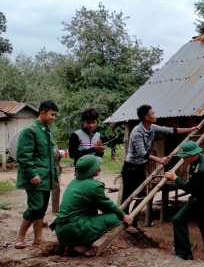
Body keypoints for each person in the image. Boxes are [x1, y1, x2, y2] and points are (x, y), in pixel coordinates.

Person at [121, 104, 198, 234]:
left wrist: (190, 129)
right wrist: (160, 160)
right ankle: (125, 224)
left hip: (140, 167)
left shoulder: (152, 128)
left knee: (142, 195)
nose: (155, 115)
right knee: (128, 196)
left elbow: (170, 130)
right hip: (130, 167)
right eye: (153, 113)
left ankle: (133, 222)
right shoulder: (137, 132)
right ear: (146, 117)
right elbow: (141, 153)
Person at [50, 155, 133, 257]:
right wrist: (124, 216)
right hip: (73, 229)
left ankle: (72, 245)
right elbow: (108, 206)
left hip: (62, 230)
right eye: (97, 166)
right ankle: (81, 246)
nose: (99, 168)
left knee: (91, 210)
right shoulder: (93, 186)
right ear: (91, 169)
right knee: (114, 216)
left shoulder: (74, 182)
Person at [14, 100, 60, 249]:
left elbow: (50, 156)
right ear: (42, 113)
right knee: (35, 207)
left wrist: (55, 174)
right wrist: (32, 173)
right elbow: (23, 155)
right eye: (52, 114)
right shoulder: (30, 131)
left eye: (55, 115)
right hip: (34, 178)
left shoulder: (46, 131)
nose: (54, 118)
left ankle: (38, 239)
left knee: (41, 208)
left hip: (46, 177)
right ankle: (20, 238)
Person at [164, 141, 204, 261]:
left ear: (193, 155)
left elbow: (188, 188)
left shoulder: (202, 170)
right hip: (194, 200)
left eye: (185, 157)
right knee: (178, 220)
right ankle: (184, 254)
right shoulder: (199, 157)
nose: (183, 160)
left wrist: (175, 178)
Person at [68, 108, 107, 181]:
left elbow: (99, 157)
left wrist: (100, 151)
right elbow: (72, 154)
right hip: (82, 173)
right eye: (88, 123)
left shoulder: (98, 135)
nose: (91, 125)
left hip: (96, 173)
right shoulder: (76, 135)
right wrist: (93, 149)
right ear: (83, 122)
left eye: (94, 122)